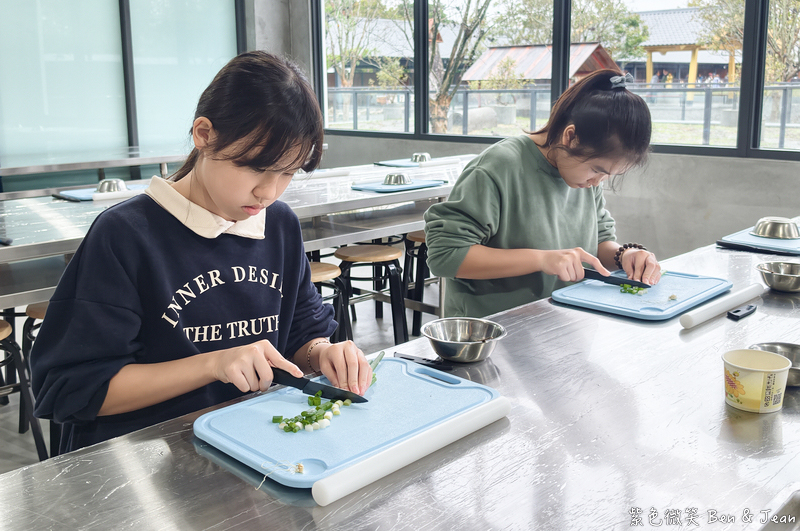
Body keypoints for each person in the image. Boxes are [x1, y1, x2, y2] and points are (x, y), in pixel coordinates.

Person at [31, 51, 372, 454]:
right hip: (145, 458)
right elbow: (70, 388)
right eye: (255, 167)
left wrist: (322, 353)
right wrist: (213, 364)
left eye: (287, 172)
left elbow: (299, 329)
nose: (268, 191)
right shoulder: (126, 234)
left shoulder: (278, 225)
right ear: (205, 135)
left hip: (256, 445)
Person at [424, 69, 662, 319]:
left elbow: (598, 243)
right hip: (490, 332)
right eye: (596, 170)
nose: (596, 183)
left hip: (562, 322)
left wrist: (625, 255)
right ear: (570, 137)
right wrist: (542, 260)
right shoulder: (499, 167)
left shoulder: (582, 178)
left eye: (607, 176)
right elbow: (446, 255)